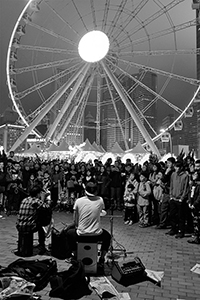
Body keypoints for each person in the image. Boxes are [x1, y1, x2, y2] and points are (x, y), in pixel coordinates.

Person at [66, 181, 111, 267]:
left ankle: (74, 255)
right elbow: (101, 211)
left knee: (68, 234)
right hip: (96, 234)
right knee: (108, 237)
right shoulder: (100, 200)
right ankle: (102, 258)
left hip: (81, 234)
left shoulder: (78, 201)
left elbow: (75, 220)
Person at [16, 184, 51, 254]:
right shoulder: (36, 201)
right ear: (38, 194)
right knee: (42, 225)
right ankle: (42, 245)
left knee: (37, 220)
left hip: (19, 225)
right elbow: (47, 207)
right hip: (28, 226)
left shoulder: (25, 199)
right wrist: (45, 198)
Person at [166, 160, 190, 238]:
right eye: (176, 167)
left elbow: (186, 188)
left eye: (178, 167)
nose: (176, 168)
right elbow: (171, 185)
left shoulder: (185, 176)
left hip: (180, 199)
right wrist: (171, 196)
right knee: (172, 215)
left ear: (181, 168)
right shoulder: (173, 174)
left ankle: (180, 231)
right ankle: (173, 229)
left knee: (181, 216)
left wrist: (182, 198)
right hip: (173, 198)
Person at [187, 170, 200, 244]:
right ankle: (196, 236)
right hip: (192, 204)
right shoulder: (193, 184)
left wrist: (195, 204)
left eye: (195, 174)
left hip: (197, 206)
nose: (193, 176)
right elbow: (190, 193)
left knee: (198, 221)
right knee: (195, 222)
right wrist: (189, 202)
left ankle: (198, 237)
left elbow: (199, 196)